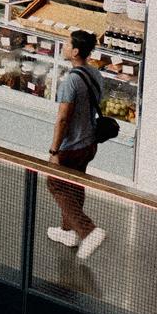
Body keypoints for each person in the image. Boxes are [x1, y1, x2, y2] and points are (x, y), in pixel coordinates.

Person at [46, 29, 107, 260]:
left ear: (75, 52)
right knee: (74, 185)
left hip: (71, 146)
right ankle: (67, 232)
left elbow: (63, 118)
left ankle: (88, 230)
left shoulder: (71, 81)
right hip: (89, 143)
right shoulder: (95, 74)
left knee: (55, 184)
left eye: (67, 44)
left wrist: (54, 151)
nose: (63, 46)